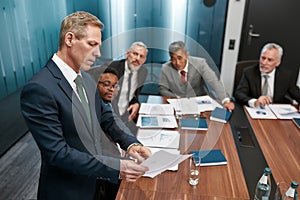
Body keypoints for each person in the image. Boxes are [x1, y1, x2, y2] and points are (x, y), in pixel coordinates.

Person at [20, 11, 151, 200]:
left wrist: (131, 144)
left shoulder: (87, 79)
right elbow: (58, 153)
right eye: (92, 44)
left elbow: (107, 116)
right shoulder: (39, 88)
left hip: (96, 184)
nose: (98, 53)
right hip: (68, 191)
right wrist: (116, 166)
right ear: (70, 39)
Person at [159, 41, 235, 111]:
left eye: (180, 58)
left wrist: (225, 100)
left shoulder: (200, 63)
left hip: (199, 104)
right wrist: (177, 98)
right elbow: (162, 89)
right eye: (173, 59)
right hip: (177, 105)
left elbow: (214, 81)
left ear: (187, 55)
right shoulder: (166, 68)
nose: (177, 63)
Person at [234, 43, 300, 108]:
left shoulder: (286, 76)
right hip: (254, 110)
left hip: (275, 111)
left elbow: (296, 94)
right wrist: (254, 101)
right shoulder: (249, 72)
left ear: (277, 63)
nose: (264, 62)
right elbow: (239, 94)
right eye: (263, 58)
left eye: (270, 60)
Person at [107, 42, 148, 122]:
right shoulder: (114, 68)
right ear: (127, 54)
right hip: (110, 114)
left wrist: (136, 103)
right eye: (135, 54)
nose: (137, 59)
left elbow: (134, 94)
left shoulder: (143, 72)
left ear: (144, 60)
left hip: (127, 116)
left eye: (141, 56)